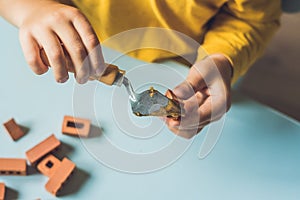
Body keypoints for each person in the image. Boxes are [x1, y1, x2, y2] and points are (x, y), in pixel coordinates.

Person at [0, 0, 281, 138]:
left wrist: (224, 58)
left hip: (193, 64)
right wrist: (30, 8)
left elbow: (251, 20)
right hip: (71, 40)